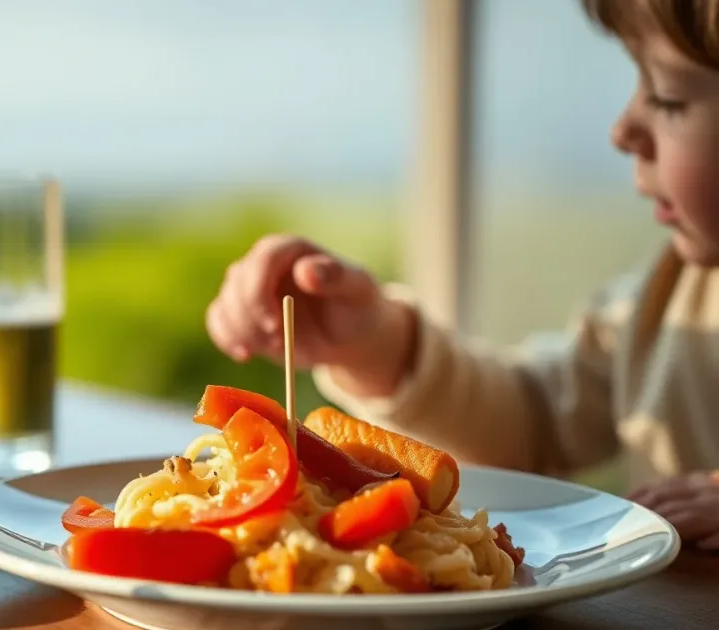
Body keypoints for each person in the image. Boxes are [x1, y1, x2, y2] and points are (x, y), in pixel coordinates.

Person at [207, 0, 719, 550]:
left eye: (668, 97)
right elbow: (535, 423)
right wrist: (380, 348)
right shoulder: (665, 297)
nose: (622, 130)